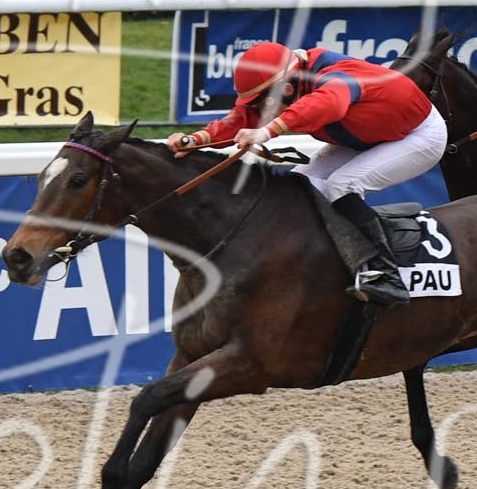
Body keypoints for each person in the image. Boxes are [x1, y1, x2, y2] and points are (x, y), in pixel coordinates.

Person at [167, 42, 447, 305]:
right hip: (368, 135)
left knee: (341, 186)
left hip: (418, 135)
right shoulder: (284, 82)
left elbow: (329, 103)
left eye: (263, 103)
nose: (259, 112)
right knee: (300, 187)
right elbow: (241, 118)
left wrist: (268, 131)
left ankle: (385, 273)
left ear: (287, 89)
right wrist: (196, 139)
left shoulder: (335, 77)